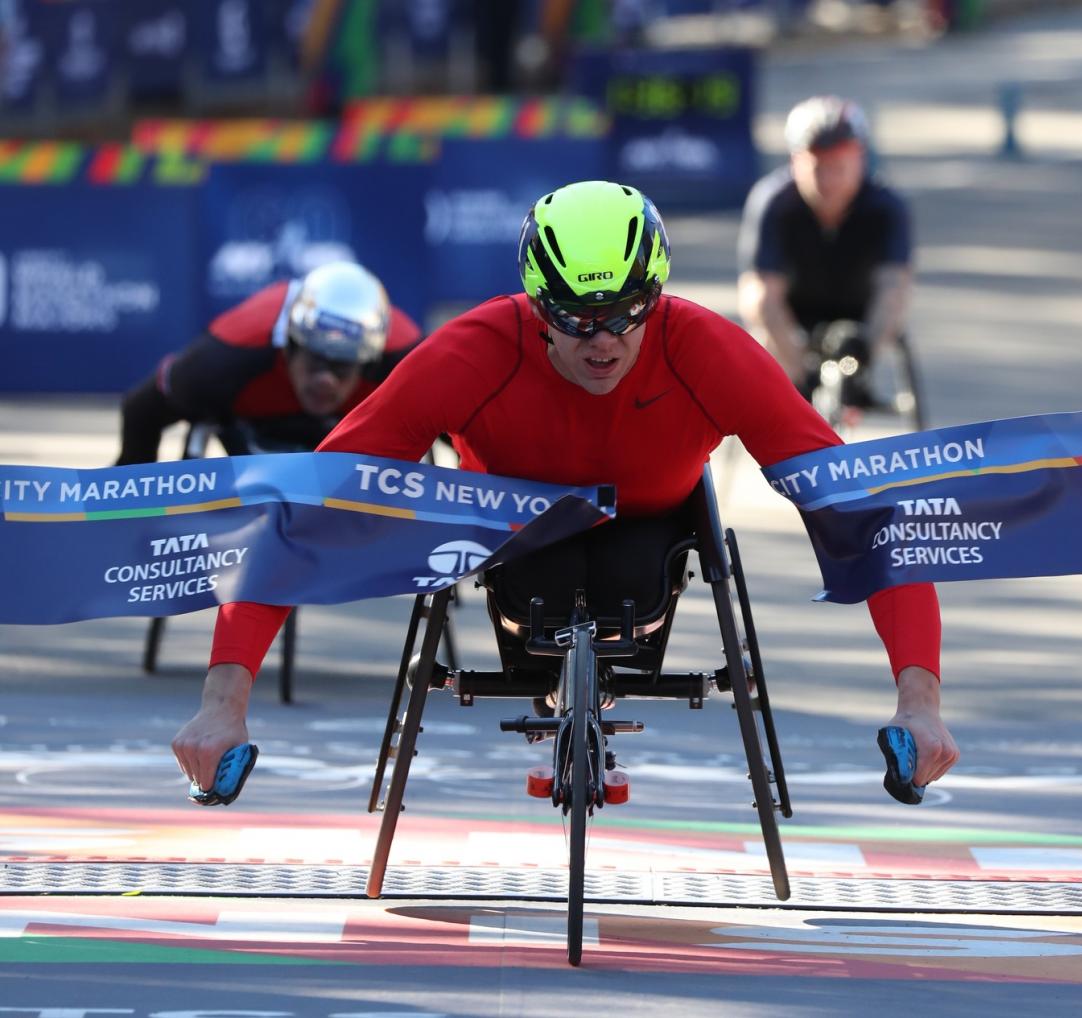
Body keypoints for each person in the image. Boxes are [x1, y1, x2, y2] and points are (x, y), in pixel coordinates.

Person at [172, 179, 958, 799]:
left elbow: (860, 510)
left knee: (623, 574)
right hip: (510, 537)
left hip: (651, 532)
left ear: (657, 294)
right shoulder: (472, 352)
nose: (604, 341)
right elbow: (309, 507)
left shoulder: (709, 350)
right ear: (535, 306)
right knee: (547, 578)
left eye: (625, 313)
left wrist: (919, 698)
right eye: (574, 319)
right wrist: (223, 701)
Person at [115, 262, 423, 465]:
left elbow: (464, 427)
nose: (325, 380)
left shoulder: (407, 364)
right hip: (249, 430)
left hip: (355, 440)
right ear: (289, 347)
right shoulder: (225, 361)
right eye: (316, 360)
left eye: (342, 366)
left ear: (369, 365)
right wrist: (131, 519)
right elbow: (140, 410)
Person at [737, 95, 913, 404]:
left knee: (894, 302)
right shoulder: (773, 202)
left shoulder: (887, 206)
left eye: (840, 167)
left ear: (860, 159)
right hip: (794, 312)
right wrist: (799, 371)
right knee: (761, 318)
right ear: (796, 162)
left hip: (860, 313)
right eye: (818, 168)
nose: (829, 181)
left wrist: (865, 354)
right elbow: (760, 293)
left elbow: (893, 288)